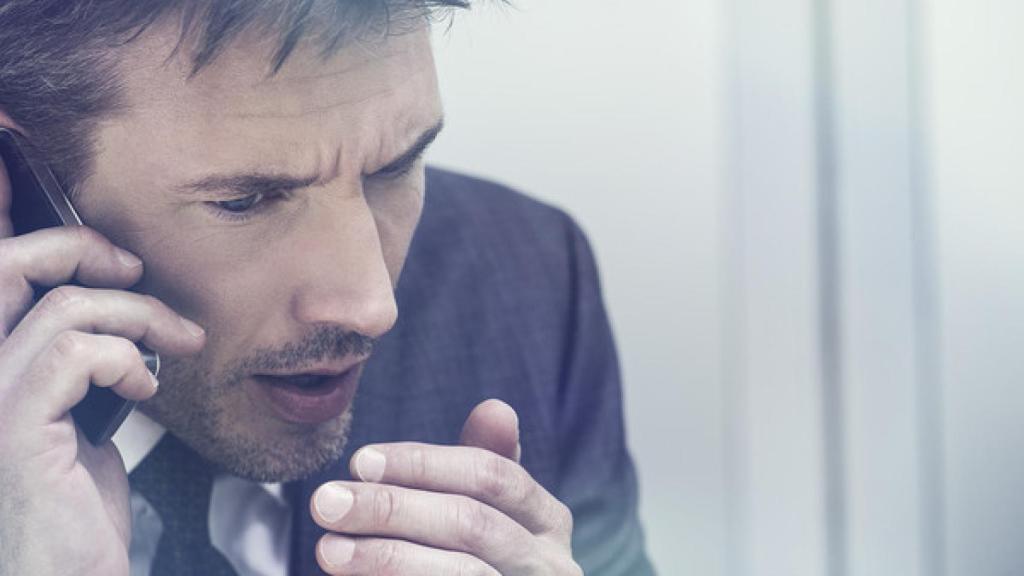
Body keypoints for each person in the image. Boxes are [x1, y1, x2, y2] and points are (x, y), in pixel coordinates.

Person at [0, 1, 654, 575]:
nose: (373, 306)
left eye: (395, 167)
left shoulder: (529, 276)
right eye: (247, 200)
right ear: (18, 187)